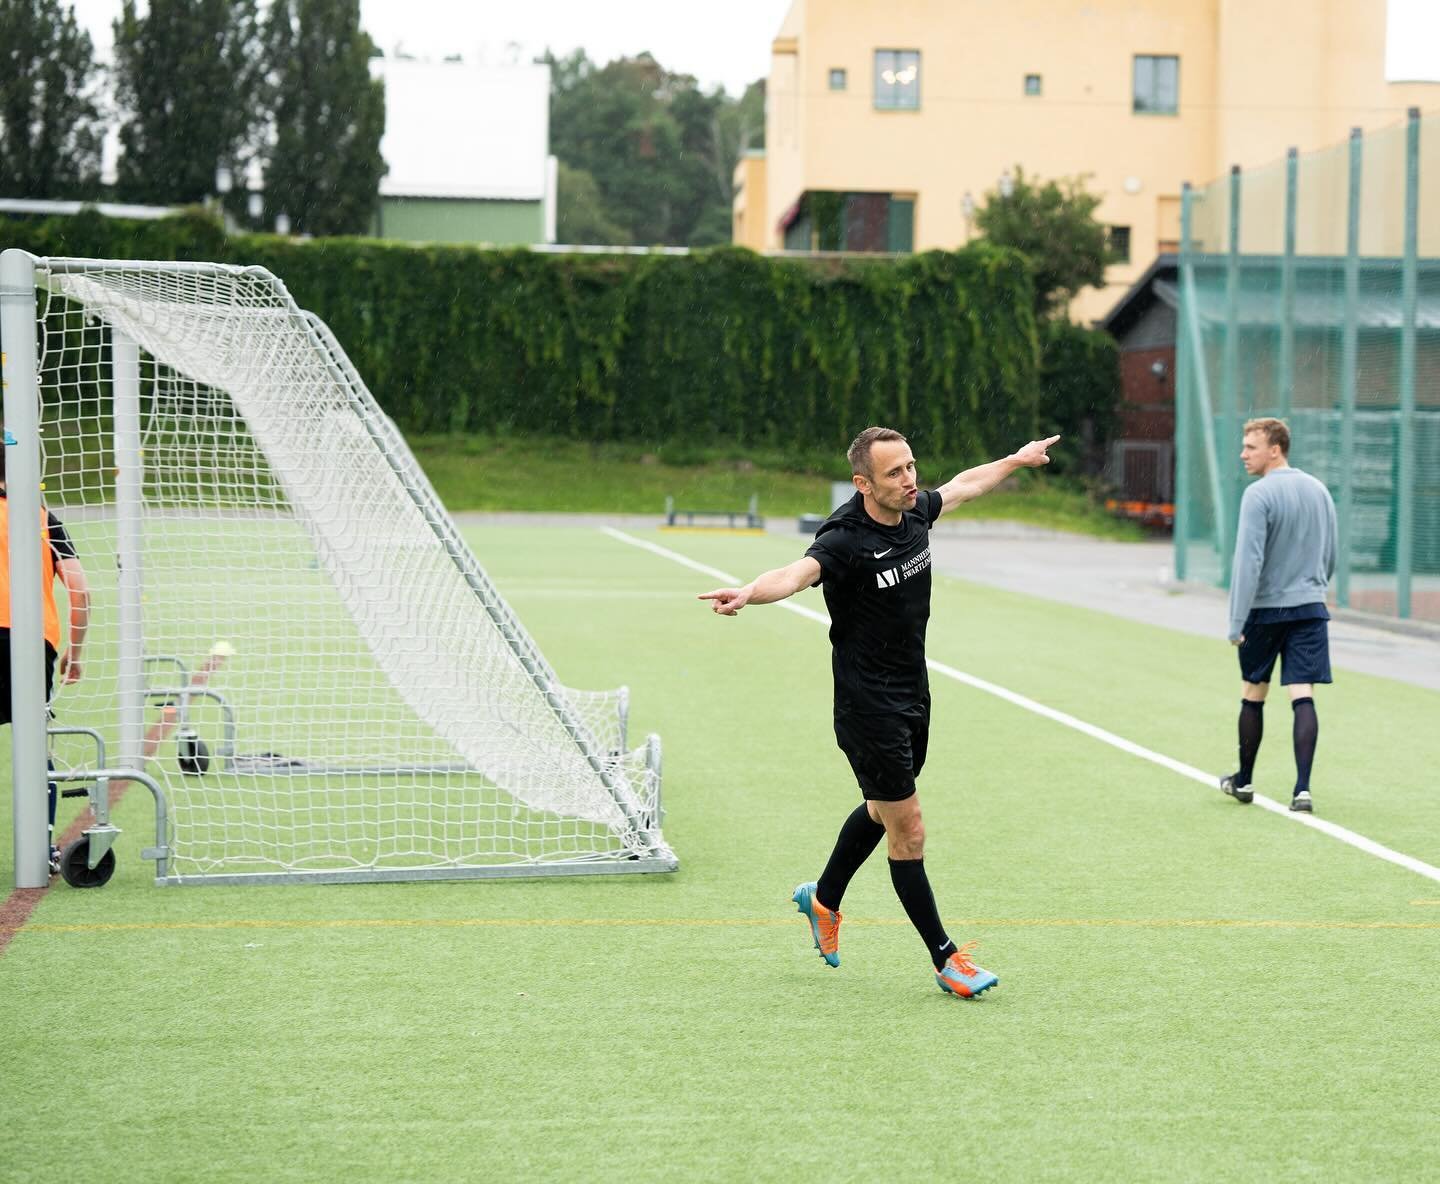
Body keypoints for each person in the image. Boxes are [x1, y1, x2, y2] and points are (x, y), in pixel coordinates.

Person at [699, 426, 1059, 998]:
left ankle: (823, 899)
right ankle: (947, 959)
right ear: (863, 482)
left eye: (911, 466)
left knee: (881, 807)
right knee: (908, 828)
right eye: (895, 473)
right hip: (868, 709)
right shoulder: (845, 539)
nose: (910, 479)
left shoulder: (915, 512)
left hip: (914, 693)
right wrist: (749, 591)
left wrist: (1016, 460)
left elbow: (965, 486)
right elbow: (797, 573)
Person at [1219, 417, 1336, 815]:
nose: (1243, 454)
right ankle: (1302, 790)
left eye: (1251, 447)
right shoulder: (1319, 490)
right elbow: (1331, 553)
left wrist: (1236, 623)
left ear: (1275, 449)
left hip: (1264, 612)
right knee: (1302, 693)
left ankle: (1245, 779)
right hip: (1310, 608)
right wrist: (1314, 589)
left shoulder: (1258, 495)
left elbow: (1248, 563)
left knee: (1254, 692)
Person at [0, 445, 91, 873]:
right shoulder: (43, 520)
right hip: (34, 642)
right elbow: (80, 590)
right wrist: (76, 648)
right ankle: (44, 846)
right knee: (35, 747)